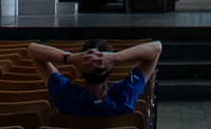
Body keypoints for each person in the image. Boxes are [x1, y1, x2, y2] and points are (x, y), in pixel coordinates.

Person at [28, 36, 162, 117]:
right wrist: (116, 58)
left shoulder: (67, 98)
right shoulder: (123, 98)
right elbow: (156, 48)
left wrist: (71, 58)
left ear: (81, 70)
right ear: (110, 70)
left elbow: (33, 50)